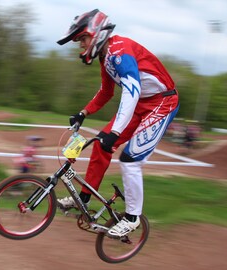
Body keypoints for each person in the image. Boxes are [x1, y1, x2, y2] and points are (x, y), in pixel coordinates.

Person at [56, 9, 180, 237]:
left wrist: (116, 131)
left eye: (82, 39)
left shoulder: (119, 51)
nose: (80, 46)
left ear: (96, 33)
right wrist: (84, 112)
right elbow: (106, 92)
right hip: (140, 103)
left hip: (161, 104)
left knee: (130, 159)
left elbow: (132, 91)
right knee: (101, 145)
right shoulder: (106, 57)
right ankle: (82, 198)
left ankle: (132, 218)